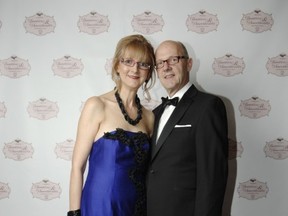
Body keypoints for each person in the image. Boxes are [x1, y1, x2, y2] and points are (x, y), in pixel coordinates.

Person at [68, 34, 156, 216]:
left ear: (149, 72)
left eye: (143, 64)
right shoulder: (97, 105)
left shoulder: (149, 117)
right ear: (117, 65)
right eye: (128, 61)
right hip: (100, 205)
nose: (135, 69)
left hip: (137, 206)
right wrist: (74, 213)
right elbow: (77, 167)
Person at [146, 40, 228, 216]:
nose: (166, 67)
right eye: (160, 63)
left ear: (189, 63)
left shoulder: (208, 107)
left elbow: (212, 177)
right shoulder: (155, 113)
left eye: (173, 60)